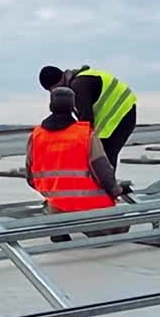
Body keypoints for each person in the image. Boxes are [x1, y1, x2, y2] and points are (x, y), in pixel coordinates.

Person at [25, 86, 125, 241]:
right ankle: (95, 228)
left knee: (53, 208)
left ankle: (57, 224)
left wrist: (53, 191)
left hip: (56, 205)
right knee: (119, 226)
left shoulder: (36, 136)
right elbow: (103, 171)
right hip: (89, 207)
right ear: (73, 107)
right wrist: (116, 190)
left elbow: (30, 177)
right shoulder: (85, 135)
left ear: (51, 106)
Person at [38, 63, 137, 169]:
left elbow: (86, 120)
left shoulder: (79, 86)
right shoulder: (77, 81)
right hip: (120, 113)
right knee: (101, 156)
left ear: (60, 80)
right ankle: (107, 182)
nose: (55, 92)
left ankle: (107, 184)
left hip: (120, 116)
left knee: (102, 156)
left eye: (54, 89)